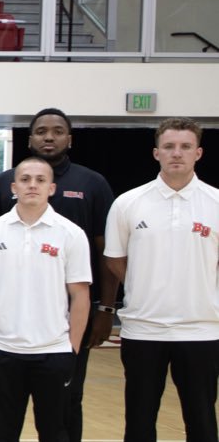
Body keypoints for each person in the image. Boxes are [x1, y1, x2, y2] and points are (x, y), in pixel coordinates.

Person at [0, 108, 113, 442]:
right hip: (3, 343)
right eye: (41, 131)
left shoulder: (91, 186)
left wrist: (104, 311)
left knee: (63, 416)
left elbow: (105, 254)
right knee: (1, 425)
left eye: (57, 131)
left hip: (58, 336)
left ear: (70, 138)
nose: (49, 137)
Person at [105, 117, 219, 442]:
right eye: (169, 147)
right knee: (139, 423)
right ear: (156, 153)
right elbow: (115, 259)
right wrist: (146, 286)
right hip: (144, 328)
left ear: (199, 153)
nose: (177, 153)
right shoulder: (128, 203)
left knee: (202, 422)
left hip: (201, 330)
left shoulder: (216, 203)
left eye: (185, 147)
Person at [0, 157, 91, 441]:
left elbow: (80, 294)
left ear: (52, 188)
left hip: (53, 352)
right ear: (14, 187)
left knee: (55, 432)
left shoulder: (71, 234)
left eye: (40, 180)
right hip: (0, 351)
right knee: (1, 432)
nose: (32, 185)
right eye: (25, 179)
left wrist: (71, 348)